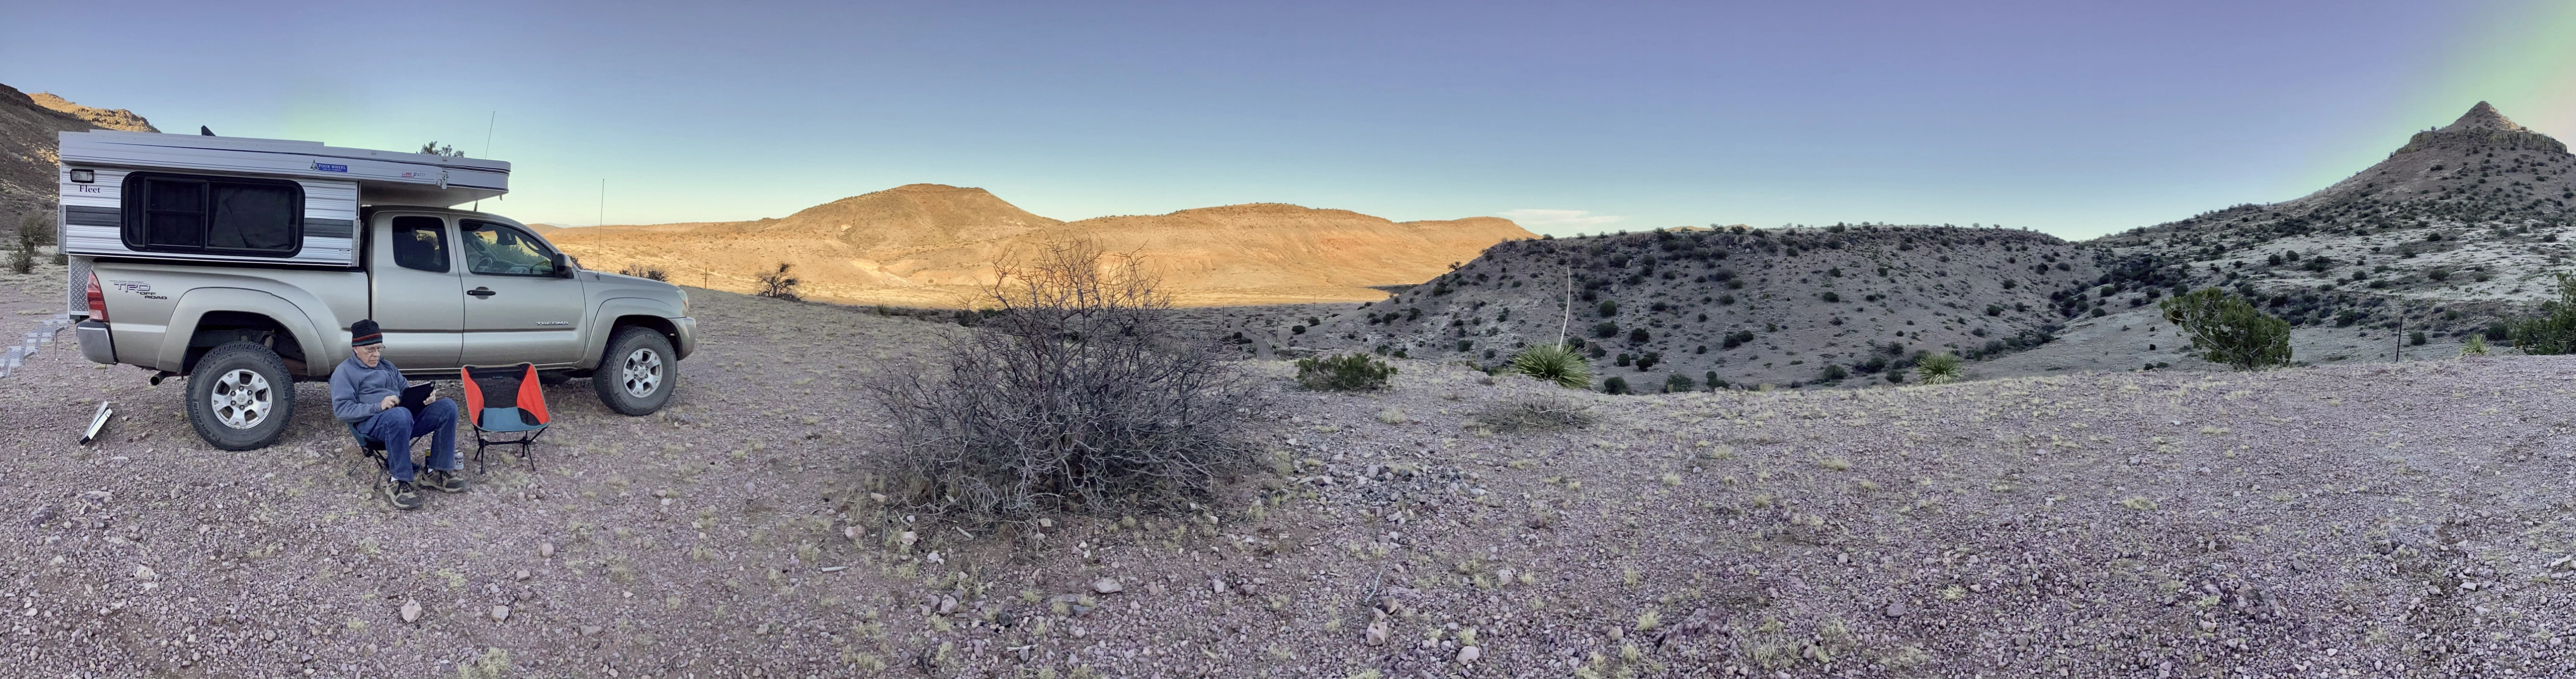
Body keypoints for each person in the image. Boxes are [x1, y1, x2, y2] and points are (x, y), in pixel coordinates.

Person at [329, 319, 464, 510]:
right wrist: (378, 406)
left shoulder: (387, 366)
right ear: (356, 348)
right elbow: (342, 411)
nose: (376, 354)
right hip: (372, 424)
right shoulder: (344, 372)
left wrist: (424, 398)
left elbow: (406, 391)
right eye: (370, 350)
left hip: (403, 418)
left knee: (448, 407)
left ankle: (436, 473)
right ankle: (398, 482)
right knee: (399, 415)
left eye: (379, 348)